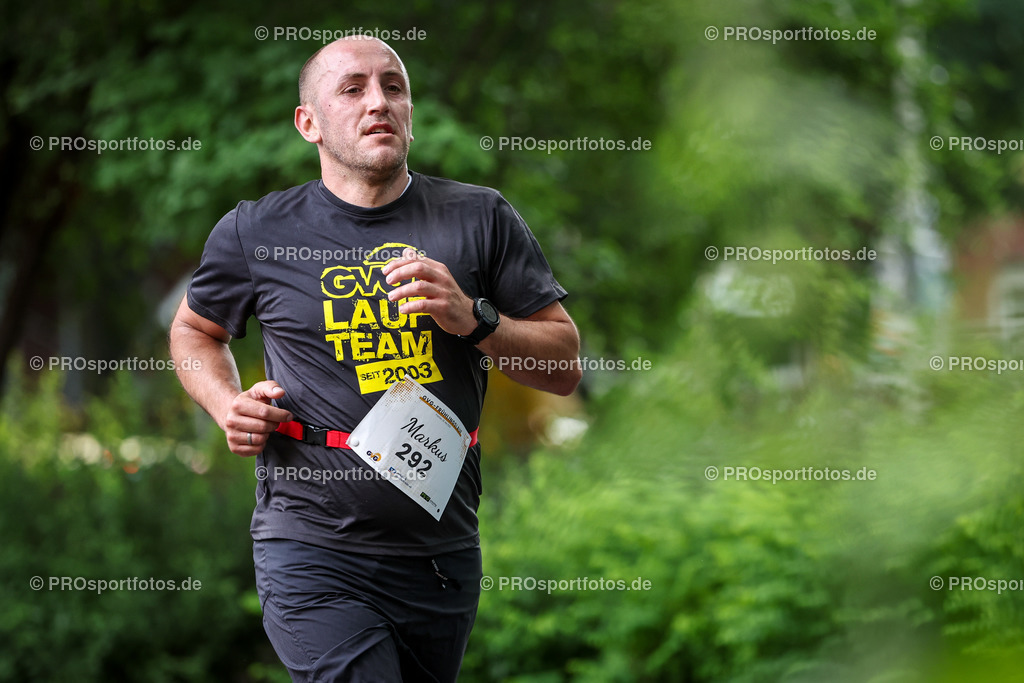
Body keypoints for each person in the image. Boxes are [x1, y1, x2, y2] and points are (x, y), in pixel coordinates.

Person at [169, 36, 580, 682]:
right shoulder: (259, 231)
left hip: (440, 556)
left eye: (394, 86)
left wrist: (474, 319)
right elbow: (194, 331)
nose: (378, 102)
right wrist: (226, 403)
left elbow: (564, 366)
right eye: (352, 88)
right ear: (309, 123)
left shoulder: (480, 219)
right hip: (310, 545)